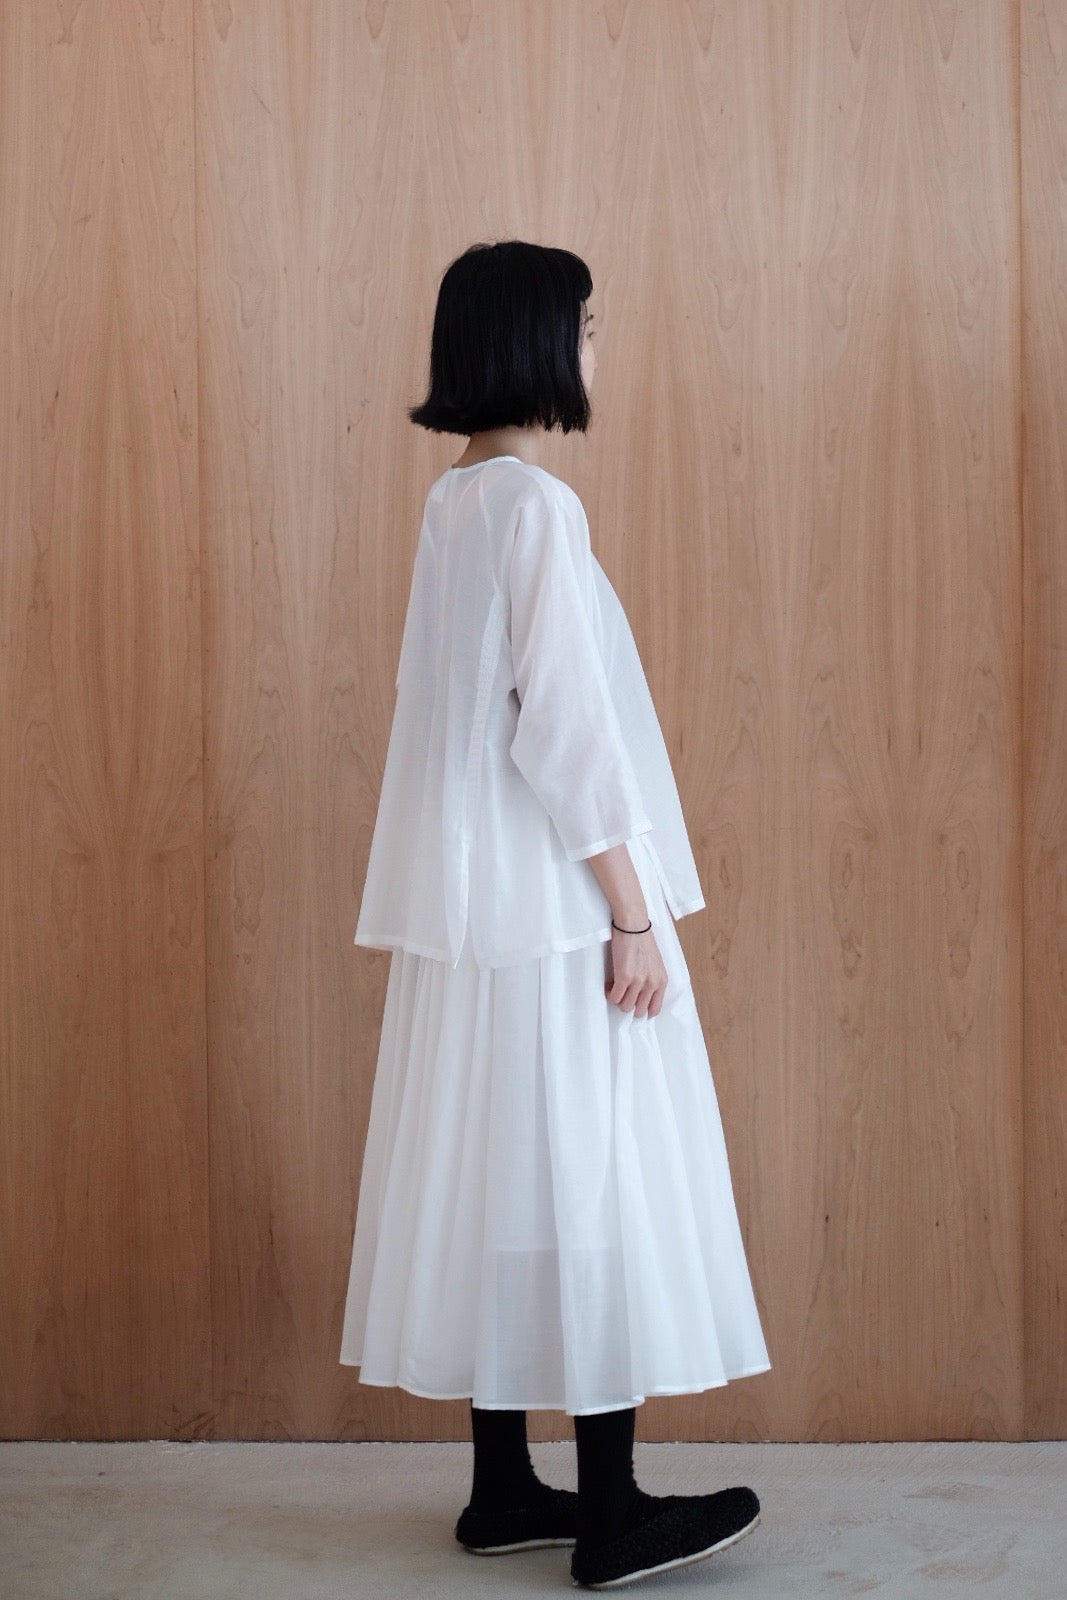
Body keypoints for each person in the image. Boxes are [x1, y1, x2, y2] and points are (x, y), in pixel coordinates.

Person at [339, 240, 772, 1589]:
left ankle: (502, 1486)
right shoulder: (536, 506)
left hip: (481, 919)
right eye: (587, 325)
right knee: (592, 1174)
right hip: (558, 905)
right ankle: (612, 1512)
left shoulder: (458, 500)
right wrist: (632, 914)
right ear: (535, 340)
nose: (598, 346)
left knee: (511, 1174)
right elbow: (566, 729)